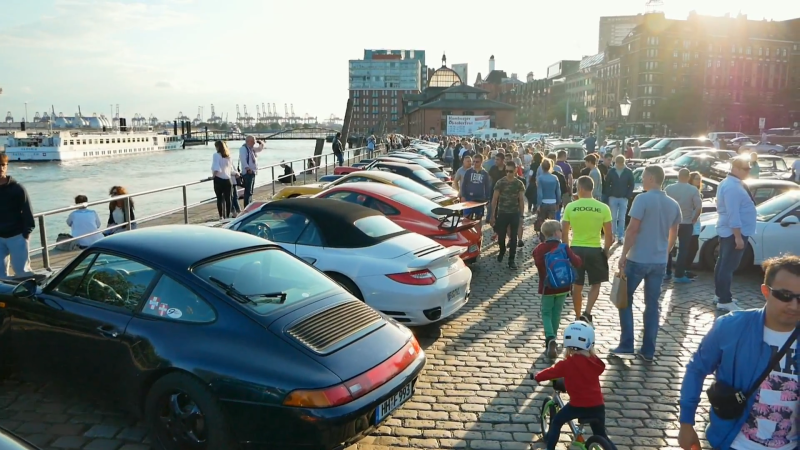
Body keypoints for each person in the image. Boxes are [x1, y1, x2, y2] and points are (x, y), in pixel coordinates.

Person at [678, 254, 800, 450]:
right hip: (733, 443)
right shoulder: (730, 327)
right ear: (766, 292)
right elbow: (696, 369)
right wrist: (686, 423)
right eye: (785, 295)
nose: (794, 305)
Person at [615, 165, 681, 361]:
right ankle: (648, 350)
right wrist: (665, 252)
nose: (642, 181)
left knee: (624, 300)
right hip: (659, 261)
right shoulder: (673, 204)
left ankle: (627, 344)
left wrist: (623, 254)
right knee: (652, 305)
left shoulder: (642, 199)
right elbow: (674, 233)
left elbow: (632, 229)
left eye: (644, 177)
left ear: (652, 179)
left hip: (638, 258)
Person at [534, 321, 608, 450]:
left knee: (557, 421)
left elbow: (551, 372)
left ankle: (549, 448)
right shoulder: (595, 362)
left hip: (578, 406)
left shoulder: (566, 364)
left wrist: (537, 376)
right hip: (598, 405)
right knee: (601, 435)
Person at [562, 176, 613, 322]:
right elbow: (609, 234)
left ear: (580, 188)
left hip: (576, 249)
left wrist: (566, 250)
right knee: (596, 283)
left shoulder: (571, 207)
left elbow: (564, 232)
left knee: (577, 285)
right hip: (595, 249)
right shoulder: (603, 208)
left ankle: (578, 315)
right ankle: (587, 311)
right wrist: (606, 250)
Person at [533, 220, 583, 358]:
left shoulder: (539, 249)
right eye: (561, 230)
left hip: (548, 287)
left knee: (546, 312)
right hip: (563, 287)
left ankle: (550, 338)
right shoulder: (564, 247)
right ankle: (553, 336)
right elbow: (577, 262)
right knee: (557, 312)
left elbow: (538, 264)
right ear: (556, 233)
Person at [714, 156, 758, 311]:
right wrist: (738, 237)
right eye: (746, 168)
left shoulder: (731, 183)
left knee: (723, 263)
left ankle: (720, 294)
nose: (749, 171)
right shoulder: (732, 187)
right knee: (728, 266)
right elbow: (734, 214)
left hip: (731, 231)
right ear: (736, 169)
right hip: (734, 233)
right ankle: (724, 300)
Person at [0, 153, 35, 278]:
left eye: (3, 165)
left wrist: (26, 233)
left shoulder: (17, 188)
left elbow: (27, 210)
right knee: (0, 276)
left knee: (23, 273)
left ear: (7, 166)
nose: (1, 168)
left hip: (17, 235)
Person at [665, 168, 702, 284]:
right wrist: (694, 218)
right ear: (688, 177)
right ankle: (679, 274)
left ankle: (667, 272)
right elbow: (699, 207)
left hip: (671, 222)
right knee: (683, 249)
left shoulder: (669, 189)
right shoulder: (693, 190)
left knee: (668, 248)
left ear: (678, 176)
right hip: (686, 222)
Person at [490, 160, 525, 269]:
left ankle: (511, 260)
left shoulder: (519, 183)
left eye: (511, 171)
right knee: (501, 236)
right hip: (502, 213)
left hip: (514, 213)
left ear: (515, 170)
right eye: (507, 171)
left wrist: (522, 215)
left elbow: (521, 200)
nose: (509, 173)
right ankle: (502, 250)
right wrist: (492, 215)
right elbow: (495, 199)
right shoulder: (500, 182)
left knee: (513, 237)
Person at [605, 155, 634, 244]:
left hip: (623, 198)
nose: (619, 165)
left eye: (621, 163)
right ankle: (613, 235)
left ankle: (620, 236)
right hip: (613, 197)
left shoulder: (628, 172)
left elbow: (631, 185)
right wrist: (609, 193)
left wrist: (627, 195)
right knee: (613, 217)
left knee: (621, 218)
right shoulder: (612, 171)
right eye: (618, 163)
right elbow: (607, 183)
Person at [460, 154, 491, 231]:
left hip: (480, 200)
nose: (474, 163)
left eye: (477, 162)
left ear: (481, 162)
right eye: (473, 161)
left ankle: (478, 236)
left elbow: (487, 187)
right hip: (469, 198)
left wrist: (487, 199)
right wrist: (463, 196)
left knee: (478, 220)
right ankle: (466, 235)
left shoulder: (485, 173)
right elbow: (463, 185)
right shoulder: (468, 172)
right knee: (466, 218)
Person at [211, 140, 237, 220]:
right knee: (228, 199)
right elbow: (230, 169)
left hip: (218, 179)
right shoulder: (229, 156)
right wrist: (236, 173)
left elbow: (217, 168)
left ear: (217, 147)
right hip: (227, 179)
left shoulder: (216, 155)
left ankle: (221, 216)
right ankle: (227, 216)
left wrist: (213, 176)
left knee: (219, 198)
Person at [536, 159, 561, 238]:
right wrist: (558, 202)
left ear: (542, 167)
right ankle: (552, 238)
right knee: (552, 223)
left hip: (543, 202)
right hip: (553, 202)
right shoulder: (555, 178)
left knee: (542, 222)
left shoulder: (540, 178)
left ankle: (543, 238)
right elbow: (558, 191)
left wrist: (538, 204)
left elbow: (540, 193)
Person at [239, 136, 264, 206]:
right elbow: (243, 160)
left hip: (253, 172)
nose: (254, 143)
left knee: (250, 191)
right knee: (248, 192)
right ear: (248, 141)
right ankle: (247, 207)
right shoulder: (243, 148)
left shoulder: (251, 148)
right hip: (248, 173)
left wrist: (261, 143)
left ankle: (250, 205)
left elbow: (259, 149)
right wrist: (248, 169)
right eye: (253, 141)